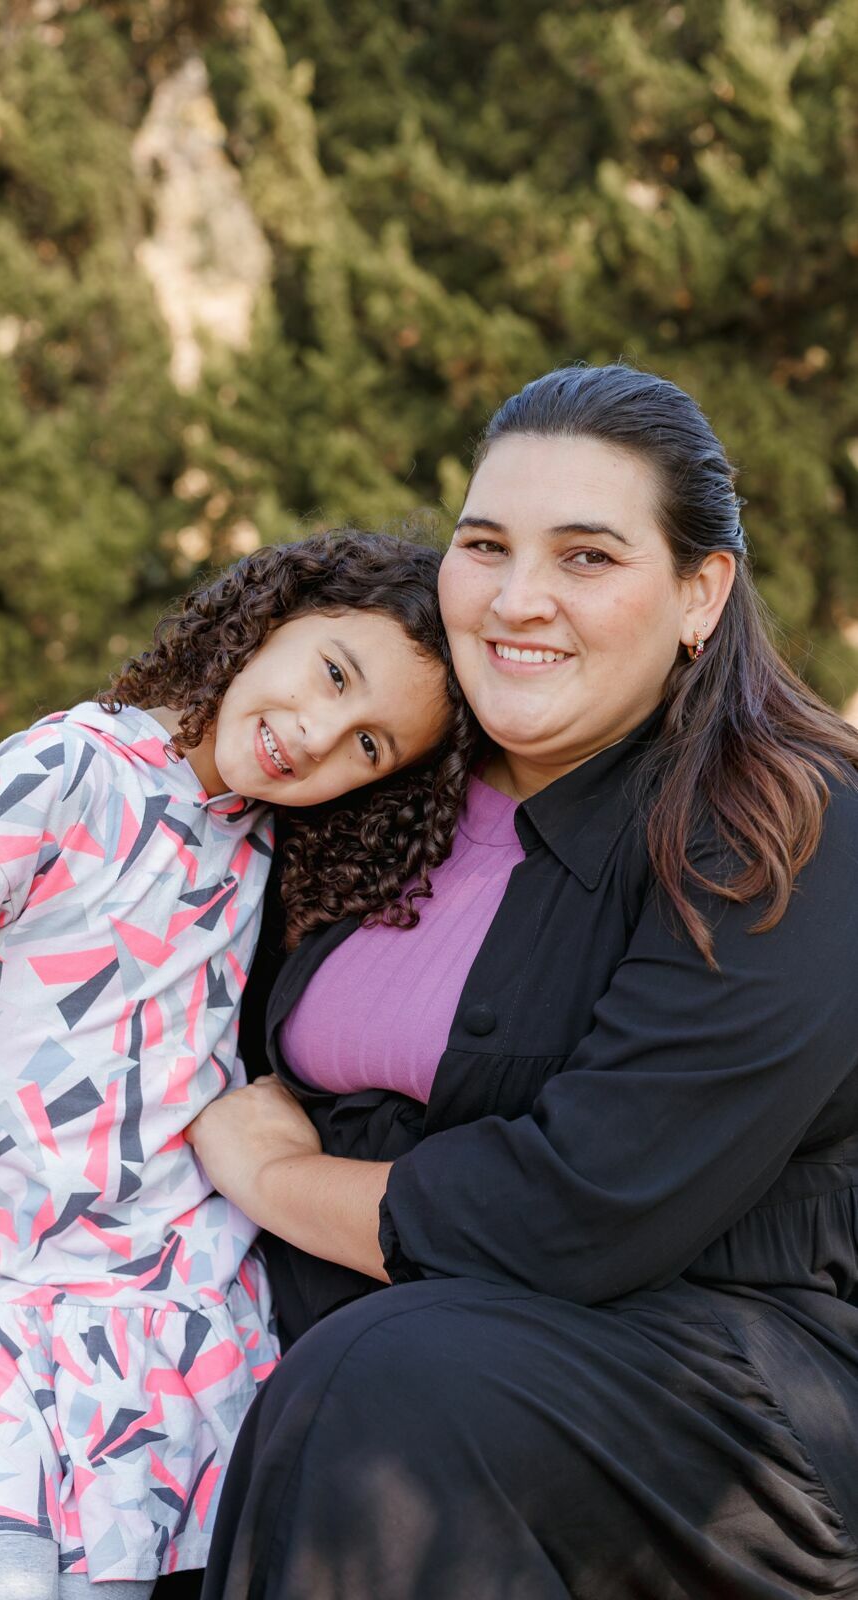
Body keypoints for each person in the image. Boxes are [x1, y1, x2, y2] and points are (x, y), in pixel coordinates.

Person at [183, 365, 858, 1598]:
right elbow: (186, 1025)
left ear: (699, 593)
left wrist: (274, 1177)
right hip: (402, 1301)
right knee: (23, 1348)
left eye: (586, 557)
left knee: (389, 1380)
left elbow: (578, 1213)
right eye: (483, 544)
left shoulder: (794, 832)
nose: (514, 598)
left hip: (721, 1369)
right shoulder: (391, 774)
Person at [0, 529, 471, 1600]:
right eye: (333, 672)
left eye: (368, 745)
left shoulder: (258, 846)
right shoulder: (62, 772)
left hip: (160, 1309)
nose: (318, 730)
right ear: (276, 609)